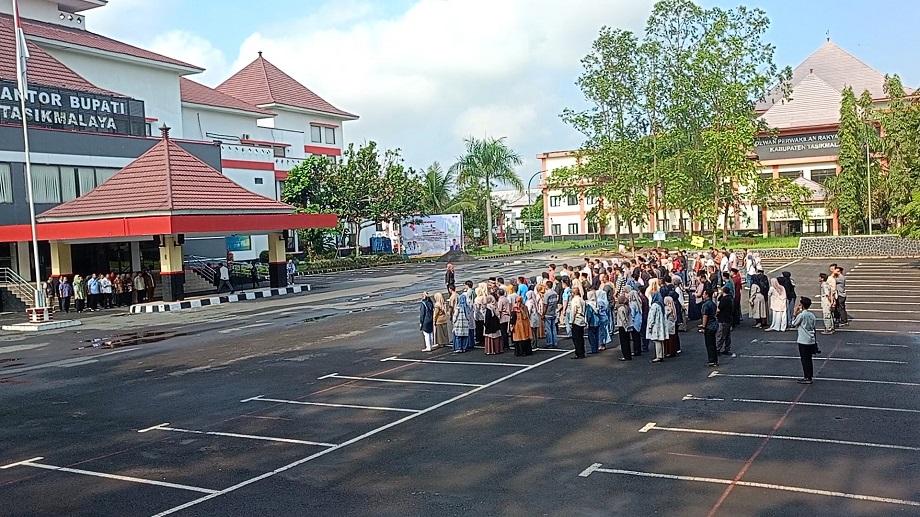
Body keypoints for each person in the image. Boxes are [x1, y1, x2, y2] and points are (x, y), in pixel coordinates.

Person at [792, 297, 818, 384]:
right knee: (809, 359)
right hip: (811, 339)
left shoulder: (802, 315)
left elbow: (794, 323)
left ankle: (807, 377)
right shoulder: (812, 315)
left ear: (802, 305)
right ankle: (809, 375)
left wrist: (795, 314)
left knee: (804, 359)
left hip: (803, 340)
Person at [646, 280, 668, 363]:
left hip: (656, 325)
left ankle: (658, 356)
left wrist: (650, 326)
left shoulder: (654, 305)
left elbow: (652, 317)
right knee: (661, 340)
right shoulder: (660, 305)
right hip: (661, 324)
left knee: (657, 341)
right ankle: (661, 354)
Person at [701, 289, 719, 366]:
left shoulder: (705, 305)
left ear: (707, 295)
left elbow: (705, 316)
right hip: (714, 324)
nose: (703, 295)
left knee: (709, 344)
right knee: (713, 343)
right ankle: (715, 359)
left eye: (704, 294)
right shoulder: (713, 304)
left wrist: (703, 327)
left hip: (709, 326)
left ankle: (711, 360)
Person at [716, 285, 735, 357]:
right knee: (727, 335)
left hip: (723, 319)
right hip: (729, 318)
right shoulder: (730, 298)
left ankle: (717, 349)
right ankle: (727, 348)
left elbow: (719, 309)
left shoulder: (723, 299)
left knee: (721, 335)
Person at [569, 286, 587, 359]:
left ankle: (578, 353)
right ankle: (582, 352)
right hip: (582, 319)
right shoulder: (582, 300)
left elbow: (573, 311)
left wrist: (571, 321)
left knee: (576, 338)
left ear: (573, 293)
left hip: (576, 320)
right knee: (581, 338)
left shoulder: (574, 301)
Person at [614, 294, 632, 361]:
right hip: (627, 325)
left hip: (622, 326)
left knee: (623, 342)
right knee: (627, 341)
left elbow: (623, 318)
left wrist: (625, 326)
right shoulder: (626, 307)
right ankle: (628, 355)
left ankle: (626, 355)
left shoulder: (620, 308)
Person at [542, 280, 559, 348]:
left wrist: (543, 313)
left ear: (547, 286)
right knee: (553, 328)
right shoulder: (554, 293)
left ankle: (549, 342)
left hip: (548, 313)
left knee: (548, 329)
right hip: (553, 312)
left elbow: (545, 305)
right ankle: (555, 342)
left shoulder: (547, 294)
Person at [628, 290, 643, 357]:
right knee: (638, 338)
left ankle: (636, 351)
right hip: (639, 322)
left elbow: (632, 314)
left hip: (634, 323)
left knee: (634, 338)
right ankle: (638, 350)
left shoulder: (632, 304)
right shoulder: (638, 302)